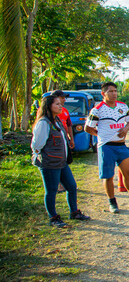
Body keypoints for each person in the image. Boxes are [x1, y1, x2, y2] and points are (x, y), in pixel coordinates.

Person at [84, 82, 129, 213]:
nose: (114, 94)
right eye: (111, 91)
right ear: (103, 94)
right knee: (108, 176)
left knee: (128, 173)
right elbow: (88, 128)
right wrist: (100, 135)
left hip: (121, 145)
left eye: (115, 91)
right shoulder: (97, 109)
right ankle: (112, 202)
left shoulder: (122, 106)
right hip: (106, 147)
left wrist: (125, 129)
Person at [31, 95, 90, 228]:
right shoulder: (44, 123)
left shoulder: (56, 120)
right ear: (48, 106)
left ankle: (74, 212)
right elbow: (36, 145)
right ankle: (53, 218)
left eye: (60, 103)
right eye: (57, 104)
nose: (60, 106)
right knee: (51, 191)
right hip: (50, 163)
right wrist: (43, 156)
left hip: (61, 162)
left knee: (71, 187)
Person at [51, 90, 74, 193]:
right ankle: (57, 186)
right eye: (62, 97)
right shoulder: (46, 113)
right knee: (56, 164)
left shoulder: (64, 111)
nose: (64, 100)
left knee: (64, 162)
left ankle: (65, 184)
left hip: (64, 141)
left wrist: (71, 139)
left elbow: (69, 125)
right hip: (53, 144)